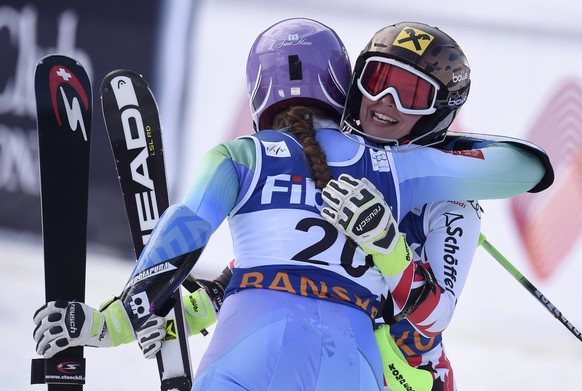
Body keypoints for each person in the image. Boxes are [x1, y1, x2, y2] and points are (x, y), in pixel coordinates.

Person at [32, 18, 552, 391]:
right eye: (377, 83)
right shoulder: (403, 171)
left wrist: (117, 319)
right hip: (359, 362)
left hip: (397, 366)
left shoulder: (444, 200)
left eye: (409, 95)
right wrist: (164, 318)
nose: (384, 105)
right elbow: (244, 278)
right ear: (347, 86)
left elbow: (429, 324)